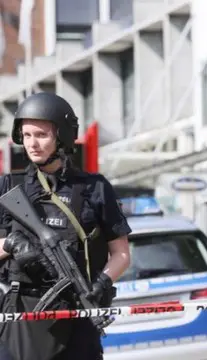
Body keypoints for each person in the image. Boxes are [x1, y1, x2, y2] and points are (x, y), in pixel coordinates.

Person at [0, 92, 132, 360]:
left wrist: (103, 281)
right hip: (25, 311)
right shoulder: (10, 188)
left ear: (62, 137)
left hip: (79, 309)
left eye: (41, 135)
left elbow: (122, 254)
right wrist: (12, 244)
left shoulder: (94, 188)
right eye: (26, 135)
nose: (32, 144)